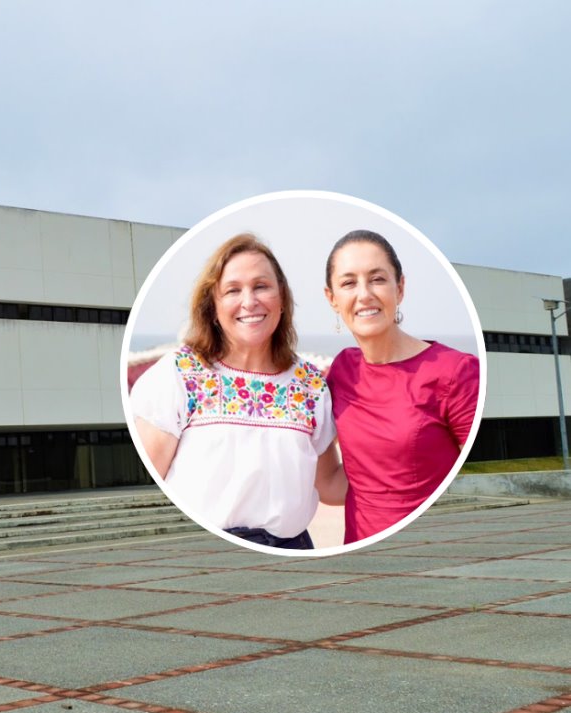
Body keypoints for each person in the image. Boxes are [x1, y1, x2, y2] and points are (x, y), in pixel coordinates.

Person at [131, 233, 343, 550]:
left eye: (261, 286)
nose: (249, 301)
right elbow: (149, 490)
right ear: (213, 306)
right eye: (233, 290)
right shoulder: (178, 374)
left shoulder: (311, 386)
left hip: (292, 551)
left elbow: (328, 485)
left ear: (282, 298)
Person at [323, 229, 480, 543]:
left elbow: (472, 487)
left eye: (377, 279)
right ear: (332, 298)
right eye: (349, 282)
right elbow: (331, 485)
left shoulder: (455, 371)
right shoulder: (341, 370)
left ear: (400, 287)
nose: (364, 294)